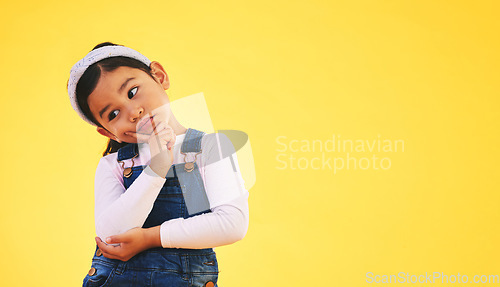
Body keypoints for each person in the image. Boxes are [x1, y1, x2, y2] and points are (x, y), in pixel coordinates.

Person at [67, 42, 249, 287]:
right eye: (113, 114)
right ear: (108, 133)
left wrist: (149, 238)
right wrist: (156, 169)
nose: (133, 112)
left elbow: (231, 224)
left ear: (159, 76)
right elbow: (110, 236)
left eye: (132, 92)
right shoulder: (115, 165)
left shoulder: (208, 148)